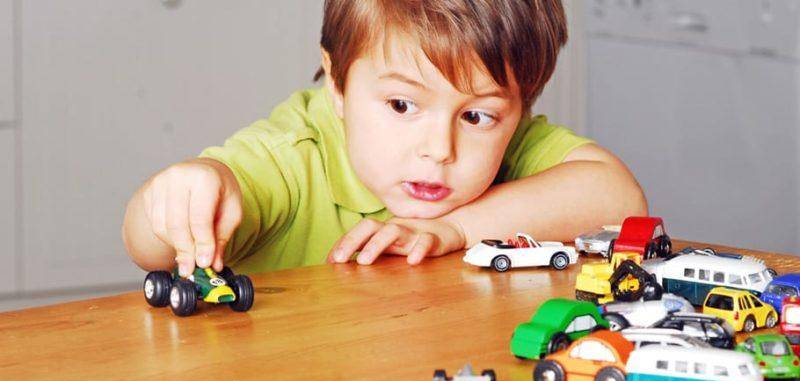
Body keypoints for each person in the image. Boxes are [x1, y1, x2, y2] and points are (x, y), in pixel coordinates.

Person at [122, 0, 647, 277]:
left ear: (521, 109)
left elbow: (621, 201)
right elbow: (151, 250)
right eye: (402, 105)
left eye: (477, 117)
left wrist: (455, 230)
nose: (439, 149)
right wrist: (182, 192)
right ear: (339, 83)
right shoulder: (294, 157)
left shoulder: (508, 146)